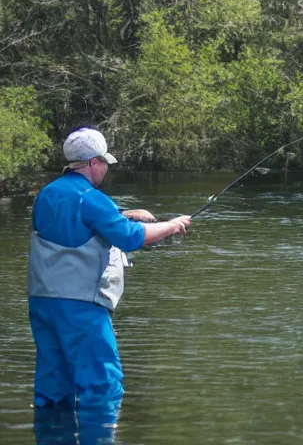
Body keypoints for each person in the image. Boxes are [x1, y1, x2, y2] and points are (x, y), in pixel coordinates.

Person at [27, 128, 190, 420]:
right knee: (102, 385)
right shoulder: (91, 198)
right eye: (104, 162)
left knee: (54, 388)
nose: (106, 168)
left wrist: (123, 212)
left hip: (42, 302)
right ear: (92, 162)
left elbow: (77, 219)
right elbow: (129, 238)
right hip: (80, 305)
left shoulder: (47, 194)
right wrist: (172, 225)